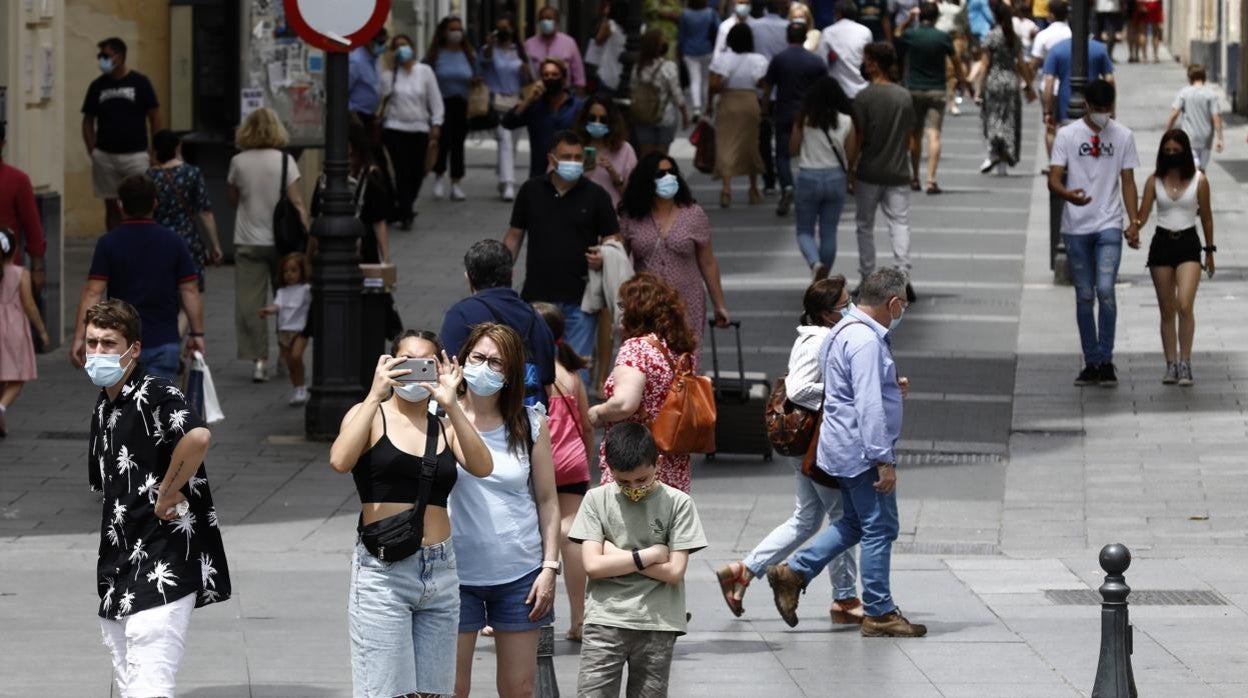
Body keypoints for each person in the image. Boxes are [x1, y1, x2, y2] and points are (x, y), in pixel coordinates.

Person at [328, 330, 493, 698]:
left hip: (440, 571)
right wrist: (375, 393)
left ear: (440, 369)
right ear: (389, 364)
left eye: (426, 364)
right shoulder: (368, 415)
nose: (415, 373)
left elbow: (483, 466)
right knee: (385, 691)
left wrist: (452, 403)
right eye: (406, 362)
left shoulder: (445, 425)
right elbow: (340, 460)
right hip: (383, 573)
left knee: (434, 693)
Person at [766, 268, 927, 638]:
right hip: (861, 451)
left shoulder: (845, 330)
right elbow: (868, 405)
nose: (903, 311)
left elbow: (853, 388)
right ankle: (879, 610)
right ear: (892, 302)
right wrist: (883, 461)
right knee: (879, 528)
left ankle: (794, 572)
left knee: (856, 523)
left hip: (841, 446)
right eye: (902, 304)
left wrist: (889, 386)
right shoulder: (866, 341)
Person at [83, 299, 231, 697]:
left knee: (150, 686)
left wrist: (168, 490)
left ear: (133, 349)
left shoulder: (155, 393)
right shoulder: (105, 404)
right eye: (91, 343)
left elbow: (198, 437)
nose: (97, 352)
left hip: (162, 558)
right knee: (132, 686)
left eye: (108, 343)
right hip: (119, 568)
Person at [715, 278, 862, 622]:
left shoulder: (819, 336)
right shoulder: (820, 341)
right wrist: (841, 394)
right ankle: (844, 598)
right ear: (827, 314)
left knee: (807, 519)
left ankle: (744, 570)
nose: (851, 307)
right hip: (814, 444)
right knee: (843, 518)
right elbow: (798, 390)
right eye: (845, 303)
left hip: (805, 444)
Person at [450, 323, 562, 698]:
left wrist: (550, 567)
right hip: (453, 573)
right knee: (451, 688)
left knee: (520, 689)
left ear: (511, 372)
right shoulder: (439, 416)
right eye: (477, 357)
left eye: (496, 362)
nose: (484, 367)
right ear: (462, 360)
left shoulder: (530, 423)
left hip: (520, 572)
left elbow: (547, 499)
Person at [569, 422, 708, 697]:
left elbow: (674, 571)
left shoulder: (678, 503)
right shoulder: (596, 500)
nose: (633, 488)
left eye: (642, 480)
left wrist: (614, 554)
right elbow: (593, 567)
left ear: (657, 463)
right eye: (623, 482)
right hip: (605, 619)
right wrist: (651, 554)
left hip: (657, 622)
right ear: (609, 469)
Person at [1048, 79, 1140, 387]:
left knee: (1105, 290)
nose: (1103, 115)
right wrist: (1069, 195)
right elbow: (1054, 179)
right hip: (1076, 228)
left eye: (1107, 109)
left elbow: (1127, 181)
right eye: (1098, 109)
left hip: (1108, 223)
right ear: (1086, 105)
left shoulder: (1124, 136)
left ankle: (1106, 358)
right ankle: (1091, 361)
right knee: (1085, 295)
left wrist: (1134, 220)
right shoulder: (1067, 135)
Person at [71, 175, 205, 381]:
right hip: (164, 340)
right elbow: (190, 290)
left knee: (123, 408)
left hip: (120, 344)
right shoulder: (173, 242)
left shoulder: (109, 243)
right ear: (154, 203)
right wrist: (197, 334)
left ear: (120, 204)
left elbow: (93, 292)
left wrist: (80, 337)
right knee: (157, 407)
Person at [503, 131, 619, 367]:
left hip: (581, 299)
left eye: (578, 157)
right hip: (537, 298)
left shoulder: (596, 196)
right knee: (535, 368)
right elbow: (514, 235)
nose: (574, 162)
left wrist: (604, 253)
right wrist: (501, 274)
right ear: (552, 159)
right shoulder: (531, 191)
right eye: (567, 156)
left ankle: (575, 405)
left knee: (575, 369)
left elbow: (613, 237)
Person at [588, 273, 698, 493]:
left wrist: (597, 412)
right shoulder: (679, 350)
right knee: (664, 525)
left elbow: (624, 404)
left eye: (622, 306)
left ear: (635, 311)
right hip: (672, 458)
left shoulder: (637, 348)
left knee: (627, 525)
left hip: (634, 461)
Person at [226, 107, 309, 382]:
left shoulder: (238, 161)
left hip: (248, 239)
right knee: (287, 302)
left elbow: (233, 199)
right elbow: (296, 202)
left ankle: (258, 360)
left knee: (249, 303)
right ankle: (285, 356)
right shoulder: (285, 161)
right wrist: (306, 237)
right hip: (283, 244)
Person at [619, 153, 731, 354]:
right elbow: (619, 260)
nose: (668, 177)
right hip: (645, 304)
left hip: (687, 303)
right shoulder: (632, 216)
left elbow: (708, 262)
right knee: (649, 362)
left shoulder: (693, 214)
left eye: (672, 172)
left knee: (685, 361)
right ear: (647, 180)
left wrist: (719, 305)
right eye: (661, 173)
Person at [533, 302, 595, 643]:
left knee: (535, 533)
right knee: (572, 533)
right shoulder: (571, 376)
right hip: (571, 463)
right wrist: (583, 458)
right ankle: (580, 619)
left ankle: (522, 614)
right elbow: (586, 425)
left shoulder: (532, 375)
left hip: (538, 463)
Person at [1136, 130, 1214, 386]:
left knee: (1185, 304)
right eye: (1167, 151)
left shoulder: (1199, 181)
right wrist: (1133, 227)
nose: (1171, 155)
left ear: (1184, 152)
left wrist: (1210, 252)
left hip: (1189, 243)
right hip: (1161, 244)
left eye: (1176, 151)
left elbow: (1207, 217)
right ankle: (1171, 364)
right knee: (1167, 309)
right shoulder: (1153, 181)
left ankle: (1186, 361)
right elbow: (1143, 215)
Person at [439, 239, 557, 407]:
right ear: (512, 274)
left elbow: (449, 374)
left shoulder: (459, 315)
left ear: (468, 276)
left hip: (474, 418)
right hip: (524, 419)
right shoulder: (536, 318)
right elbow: (546, 385)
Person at [847, 42, 918, 302]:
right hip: (898, 169)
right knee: (899, 222)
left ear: (875, 63)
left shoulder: (864, 98)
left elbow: (859, 136)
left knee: (865, 224)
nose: (864, 64)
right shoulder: (904, 96)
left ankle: (867, 276)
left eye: (866, 60)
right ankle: (903, 274)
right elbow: (911, 136)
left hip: (870, 170)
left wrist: (851, 168)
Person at [82, 37, 160, 232]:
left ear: (120, 56)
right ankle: (116, 242)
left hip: (135, 155)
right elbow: (88, 120)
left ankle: (141, 243)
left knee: (141, 203)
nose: (102, 60)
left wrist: (154, 151)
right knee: (111, 205)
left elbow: (155, 116)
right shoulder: (97, 86)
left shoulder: (140, 83)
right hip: (105, 156)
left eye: (106, 56)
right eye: (100, 56)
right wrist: (93, 150)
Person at [896, 2, 966, 194]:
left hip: (914, 89)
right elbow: (956, 62)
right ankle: (931, 180)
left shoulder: (912, 35)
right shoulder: (942, 37)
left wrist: (908, 20)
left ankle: (915, 177)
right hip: (937, 90)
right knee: (934, 133)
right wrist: (962, 82)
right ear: (936, 18)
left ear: (920, 17)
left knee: (915, 134)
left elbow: (897, 34)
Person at [790, 77, 853, 280]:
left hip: (809, 176)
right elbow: (850, 154)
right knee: (829, 231)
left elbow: (792, 148)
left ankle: (815, 264)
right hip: (835, 177)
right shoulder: (846, 120)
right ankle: (824, 277)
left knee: (804, 231)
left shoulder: (804, 119)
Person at [380, 33, 444, 229]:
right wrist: (390, 68)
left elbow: (436, 101)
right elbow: (382, 100)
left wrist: (436, 123)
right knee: (401, 172)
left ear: (412, 47)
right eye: (397, 46)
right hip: (395, 128)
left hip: (419, 129)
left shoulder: (424, 71)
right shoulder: (389, 75)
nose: (402, 49)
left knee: (418, 172)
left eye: (405, 45)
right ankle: (406, 213)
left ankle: (405, 205)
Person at [148, 130, 222, 298]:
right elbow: (205, 212)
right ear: (177, 147)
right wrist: (215, 245)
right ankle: (179, 326)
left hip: (158, 241)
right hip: (188, 241)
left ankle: (168, 324)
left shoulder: (150, 176)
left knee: (164, 293)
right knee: (189, 294)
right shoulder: (192, 173)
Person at [768, 22, 831, 215]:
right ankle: (809, 192)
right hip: (810, 114)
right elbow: (825, 88)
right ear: (805, 37)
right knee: (810, 154)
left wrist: (764, 110)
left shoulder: (779, 60)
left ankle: (787, 186)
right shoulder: (816, 61)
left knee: (782, 154)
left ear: (787, 37)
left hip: (784, 112)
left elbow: (767, 87)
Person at [312, 124, 392, 265]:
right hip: (329, 251)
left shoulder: (370, 178)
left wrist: (386, 258)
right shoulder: (324, 179)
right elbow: (316, 220)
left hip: (363, 251)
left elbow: (379, 222)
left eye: (350, 155)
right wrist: (308, 258)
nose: (348, 162)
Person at [972, 2, 1037, 176]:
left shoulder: (991, 36)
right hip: (1011, 81)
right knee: (1009, 119)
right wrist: (1029, 86)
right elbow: (1022, 64)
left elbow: (985, 65)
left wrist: (978, 89)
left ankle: (994, 151)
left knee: (992, 117)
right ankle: (1004, 158)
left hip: (994, 81)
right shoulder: (1012, 37)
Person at [709, 23, 769, 207]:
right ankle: (753, 188)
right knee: (751, 145)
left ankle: (726, 188)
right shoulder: (758, 59)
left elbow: (713, 86)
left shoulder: (722, 60)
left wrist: (707, 106)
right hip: (749, 102)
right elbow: (763, 85)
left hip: (728, 101)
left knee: (726, 144)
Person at [0, 229, 49, 438]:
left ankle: (1, 424)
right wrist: (42, 330)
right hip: (13, 328)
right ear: (15, 249)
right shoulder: (21, 274)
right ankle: (1, 408)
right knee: (18, 376)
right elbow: (29, 304)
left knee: (2, 377)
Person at [502, 58, 586, 180]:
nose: (550, 78)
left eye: (554, 74)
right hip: (540, 176)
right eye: (546, 75)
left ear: (563, 78)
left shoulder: (577, 106)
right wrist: (529, 99)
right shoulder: (534, 106)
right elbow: (508, 122)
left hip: (571, 174)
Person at [426, 16, 480, 203]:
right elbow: (425, 75)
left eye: (459, 29)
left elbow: (478, 73)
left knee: (458, 144)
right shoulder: (435, 55)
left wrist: (476, 80)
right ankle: (439, 177)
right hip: (441, 104)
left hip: (462, 105)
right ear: (443, 32)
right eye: (452, 29)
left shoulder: (468, 53)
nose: (456, 33)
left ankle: (456, 182)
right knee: (442, 142)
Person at [482, 15, 531, 202]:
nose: (502, 32)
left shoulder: (519, 50)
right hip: (497, 101)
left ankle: (502, 175)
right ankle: (509, 183)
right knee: (504, 140)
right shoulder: (490, 50)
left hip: (517, 101)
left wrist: (526, 71)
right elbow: (483, 64)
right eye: (498, 28)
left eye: (505, 28)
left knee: (513, 144)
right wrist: (488, 45)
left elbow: (529, 76)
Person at [258, 253, 312, 406]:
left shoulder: (306, 289)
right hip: (284, 331)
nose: (289, 274)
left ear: (302, 272)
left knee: (296, 357)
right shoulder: (282, 292)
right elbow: (277, 306)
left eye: (294, 270)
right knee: (290, 363)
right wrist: (268, 310)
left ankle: (301, 387)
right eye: (286, 271)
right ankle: (297, 388)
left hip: (299, 330)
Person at [0, 124, 46, 294]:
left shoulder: (18, 180)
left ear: (2, 144)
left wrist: (38, 268)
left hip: (7, 271)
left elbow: (32, 227)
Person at [631, 29, 690, 159]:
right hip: (665, 116)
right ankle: (659, 177)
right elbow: (677, 93)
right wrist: (684, 114)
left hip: (643, 114)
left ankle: (647, 178)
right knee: (662, 155)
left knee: (645, 154)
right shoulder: (668, 66)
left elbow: (632, 89)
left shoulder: (638, 67)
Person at [1042, 36, 1114, 133]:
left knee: (1060, 134)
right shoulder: (1099, 48)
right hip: (1095, 105)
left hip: (1065, 106)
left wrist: (1047, 111)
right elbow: (1109, 79)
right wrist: (1111, 108)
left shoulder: (1057, 49)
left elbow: (1049, 82)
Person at [576, 96, 638, 210]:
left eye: (603, 120)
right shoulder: (575, 147)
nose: (597, 123)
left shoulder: (625, 150)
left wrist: (615, 176)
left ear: (611, 122)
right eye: (592, 118)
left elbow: (634, 196)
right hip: (581, 216)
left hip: (613, 219)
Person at [1030, 1, 1071, 163]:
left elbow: (1034, 63)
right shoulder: (1072, 34)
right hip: (1067, 86)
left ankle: (1053, 163)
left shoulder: (1043, 35)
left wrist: (1027, 82)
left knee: (1050, 126)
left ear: (1051, 15)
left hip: (1048, 87)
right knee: (1066, 126)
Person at [1165, 65, 1223, 171]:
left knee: (1191, 170)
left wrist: (1167, 134)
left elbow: (1174, 115)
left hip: (1189, 138)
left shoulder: (1184, 93)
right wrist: (1219, 139)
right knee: (1202, 171)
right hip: (1206, 139)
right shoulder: (1211, 94)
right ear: (1204, 78)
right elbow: (1216, 117)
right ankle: (1200, 184)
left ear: (1189, 78)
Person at [818, 0, 875, 99]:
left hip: (837, 92)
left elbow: (822, 64)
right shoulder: (866, 32)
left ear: (838, 13)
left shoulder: (827, 32)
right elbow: (870, 60)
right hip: (862, 90)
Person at [525, 5, 587, 91]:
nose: (545, 21)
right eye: (542, 19)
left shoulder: (569, 43)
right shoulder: (529, 44)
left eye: (549, 19)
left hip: (564, 92)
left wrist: (578, 97)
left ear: (556, 22)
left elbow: (579, 76)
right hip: (538, 93)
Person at [680, 0, 720, 120]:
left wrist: (680, 49)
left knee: (694, 80)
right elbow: (718, 30)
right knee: (706, 81)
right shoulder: (711, 13)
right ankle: (706, 107)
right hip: (707, 49)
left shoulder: (685, 14)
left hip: (689, 50)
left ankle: (696, 108)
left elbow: (682, 34)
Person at [587, 2, 630, 99]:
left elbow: (598, 40)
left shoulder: (610, 26)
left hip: (607, 77)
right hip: (624, 79)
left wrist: (606, 17)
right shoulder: (635, 29)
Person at [349, 28, 386, 130]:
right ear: (368, 40)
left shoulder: (375, 58)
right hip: (356, 116)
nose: (382, 46)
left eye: (384, 42)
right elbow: (341, 91)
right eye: (379, 42)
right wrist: (352, 114)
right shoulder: (356, 61)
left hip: (371, 116)